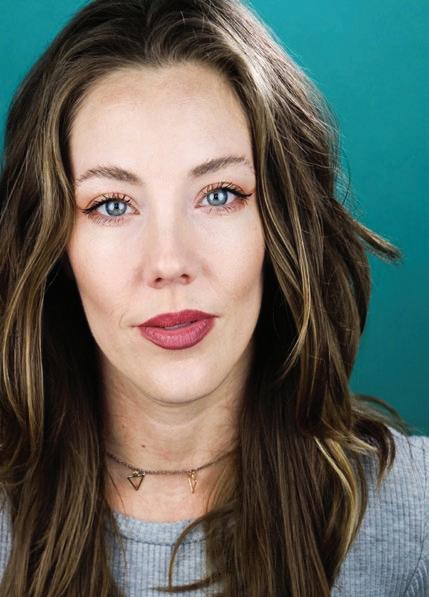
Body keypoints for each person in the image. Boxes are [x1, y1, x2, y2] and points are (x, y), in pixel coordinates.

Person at [0, 0, 427, 595]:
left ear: (281, 223)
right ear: (53, 247)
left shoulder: (415, 519)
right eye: (113, 205)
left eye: (219, 194)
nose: (170, 262)